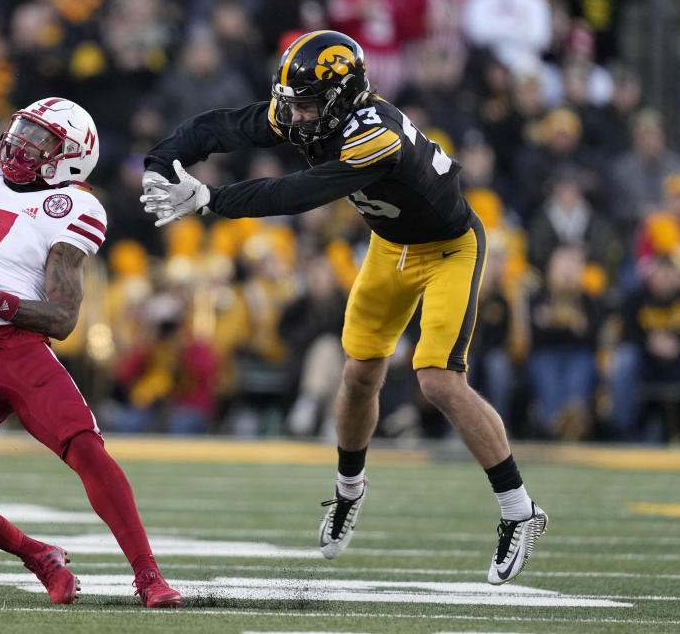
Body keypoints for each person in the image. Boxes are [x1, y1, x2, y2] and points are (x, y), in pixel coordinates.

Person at [141, 30, 548, 585]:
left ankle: (519, 510)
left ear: (341, 96)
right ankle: (348, 491)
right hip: (391, 246)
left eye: (307, 103)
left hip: (449, 248)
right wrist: (160, 161)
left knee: (437, 380)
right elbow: (221, 125)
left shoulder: (373, 135)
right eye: (294, 102)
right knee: (358, 375)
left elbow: (299, 193)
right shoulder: (313, 112)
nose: (295, 115)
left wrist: (212, 200)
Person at [0, 97, 181, 608]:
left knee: (85, 448)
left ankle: (148, 576)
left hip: (18, 345)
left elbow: (63, 319)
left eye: (40, 138)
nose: (22, 143)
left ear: (69, 155)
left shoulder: (75, 206)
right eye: (22, 129)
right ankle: (37, 556)